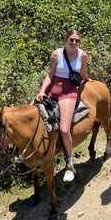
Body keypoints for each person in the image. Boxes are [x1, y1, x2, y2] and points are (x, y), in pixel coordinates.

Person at [35, 29, 92, 182]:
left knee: (64, 129)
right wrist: (42, 91)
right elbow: (50, 74)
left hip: (68, 91)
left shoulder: (83, 55)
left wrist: (87, 79)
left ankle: (69, 164)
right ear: (66, 40)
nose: (74, 43)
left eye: (77, 40)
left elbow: (82, 70)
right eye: (71, 40)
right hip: (52, 89)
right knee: (30, 112)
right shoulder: (56, 54)